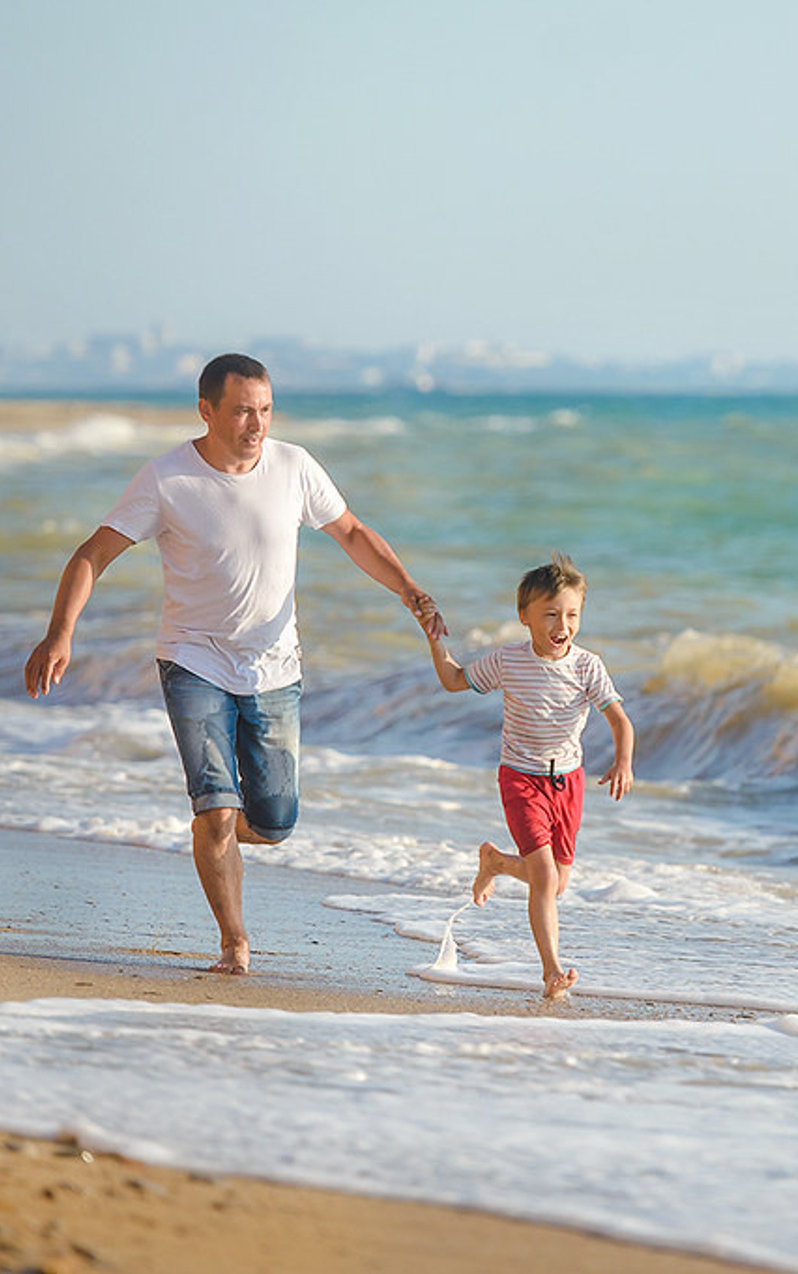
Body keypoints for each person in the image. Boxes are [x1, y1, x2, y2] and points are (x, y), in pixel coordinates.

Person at [23, 353, 445, 975]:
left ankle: (213, 831)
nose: (258, 424)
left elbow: (352, 532)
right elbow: (92, 553)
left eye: (266, 409)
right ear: (207, 410)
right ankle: (234, 940)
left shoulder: (294, 466)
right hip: (192, 660)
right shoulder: (167, 479)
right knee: (217, 808)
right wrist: (61, 632)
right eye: (244, 410)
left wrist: (409, 589)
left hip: (275, 669)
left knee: (275, 822)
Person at [418, 553, 634, 999]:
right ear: (525, 616)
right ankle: (551, 970)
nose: (563, 625)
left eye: (572, 615)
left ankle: (496, 863)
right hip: (520, 777)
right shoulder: (509, 660)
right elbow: (455, 681)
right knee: (545, 878)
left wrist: (623, 761)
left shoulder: (587, 666)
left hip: (568, 782)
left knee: (557, 882)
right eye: (551, 614)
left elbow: (619, 720)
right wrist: (434, 640)